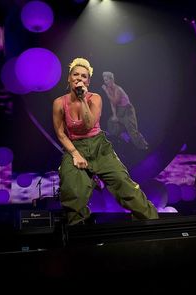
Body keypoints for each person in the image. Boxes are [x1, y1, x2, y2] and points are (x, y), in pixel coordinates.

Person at [52, 57, 158, 225]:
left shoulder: (95, 98)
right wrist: (75, 154)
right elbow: (60, 133)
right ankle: (77, 235)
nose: (79, 78)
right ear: (69, 77)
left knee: (125, 186)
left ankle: (152, 224)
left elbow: (88, 125)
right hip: (75, 147)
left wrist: (81, 99)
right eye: (76, 74)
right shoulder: (59, 103)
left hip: (99, 146)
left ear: (88, 81)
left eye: (84, 76)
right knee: (73, 192)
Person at [101, 71, 149, 150]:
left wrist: (106, 91)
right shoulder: (109, 89)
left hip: (127, 110)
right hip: (120, 110)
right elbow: (112, 104)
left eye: (106, 80)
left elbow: (115, 101)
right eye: (104, 80)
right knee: (111, 122)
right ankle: (123, 134)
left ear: (111, 79)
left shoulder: (117, 89)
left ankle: (144, 146)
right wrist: (114, 115)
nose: (105, 82)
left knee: (132, 130)